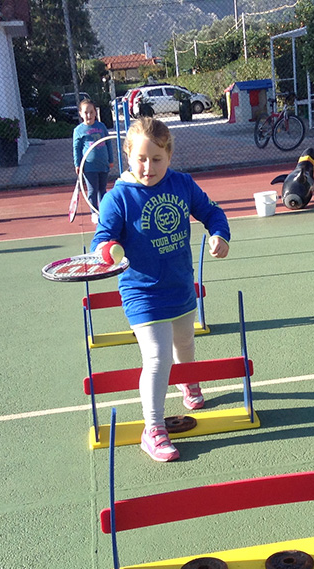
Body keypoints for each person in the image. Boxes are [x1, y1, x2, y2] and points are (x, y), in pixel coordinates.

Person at [91, 117, 230, 462]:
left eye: (156, 159)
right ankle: (152, 429)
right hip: (142, 293)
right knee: (157, 357)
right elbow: (101, 239)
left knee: (185, 344)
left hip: (180, 286)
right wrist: (108, 249)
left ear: (169, 156)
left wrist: (219, 234)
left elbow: (212, 212)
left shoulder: (182, 184)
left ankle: (188, 380)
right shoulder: (118, 198)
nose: (148, 167)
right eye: (140, 158)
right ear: (127, 155)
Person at [72, 99, 114, 223]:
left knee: (103, 189)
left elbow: (108, 143)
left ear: (95, 112)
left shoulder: (101, 127)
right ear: (80, 114)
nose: (89, 115)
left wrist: (110, 159)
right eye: (86, 112)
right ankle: (94, 212)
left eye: (91, 112)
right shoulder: (78, 130)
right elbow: (76, 148)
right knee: (92, 190)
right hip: (89, 167)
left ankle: (104, 211)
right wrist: (77, 164)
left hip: (103, 165)